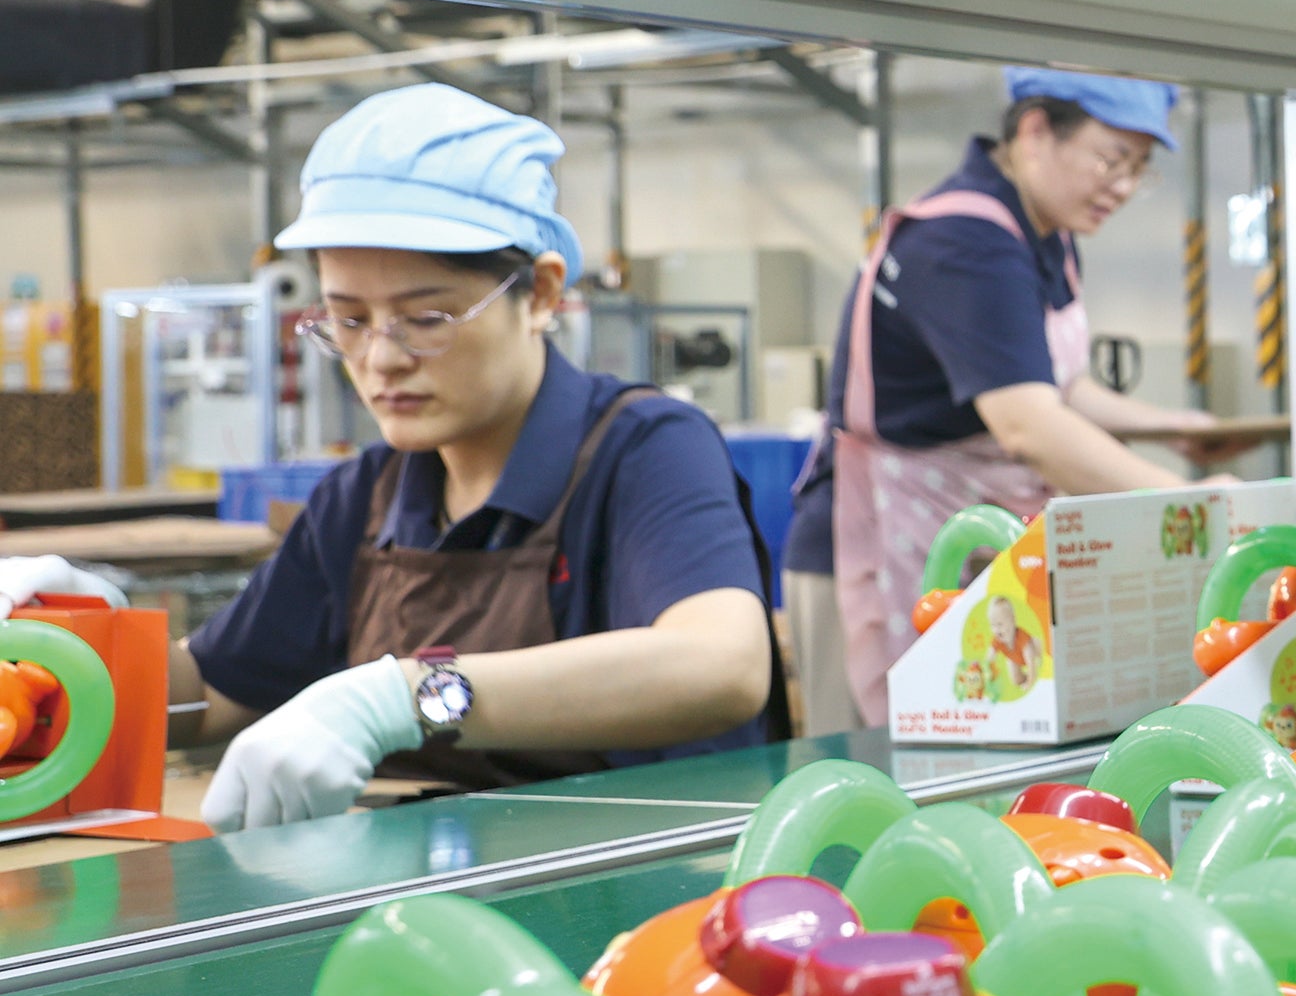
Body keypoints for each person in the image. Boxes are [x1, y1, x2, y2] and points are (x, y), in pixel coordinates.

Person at [176, 85, 780, 830]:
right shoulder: (365, 498)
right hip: (426, 887)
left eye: (425, 318)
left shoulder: (644, 449)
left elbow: (721, 666)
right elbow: (214, 690)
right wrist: (84, 645)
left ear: (541, 295)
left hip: (634, 878)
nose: (381, 359)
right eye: (349, 320)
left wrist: (405, 698)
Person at [784, 69, 1230, 731]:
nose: (1123, 186)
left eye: (1140, 168)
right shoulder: (966, 240)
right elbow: (1029, 426)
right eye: (1112, 159)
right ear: (1035, 131)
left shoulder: (1044, 231)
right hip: (879, 544)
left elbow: (1056, 385)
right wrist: (1193, 505)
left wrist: (1170, 426)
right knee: (882, 761)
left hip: (968, 529)